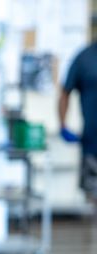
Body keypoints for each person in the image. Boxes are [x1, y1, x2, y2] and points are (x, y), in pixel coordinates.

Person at [58, 40, 97, 200]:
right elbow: (65, 92)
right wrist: (63, 125)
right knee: (93, 194)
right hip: (92, 143)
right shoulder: (84, 58)